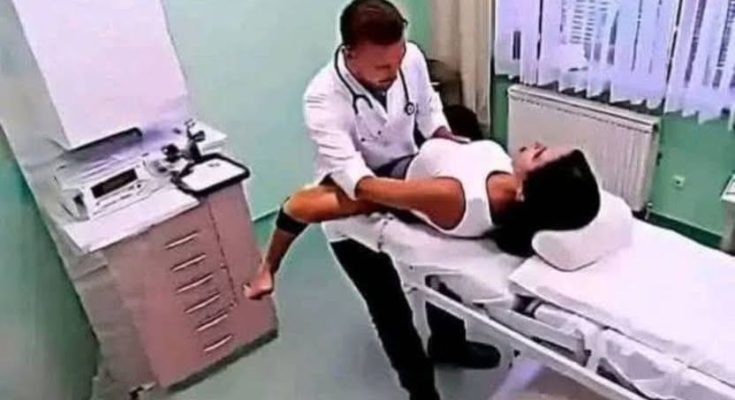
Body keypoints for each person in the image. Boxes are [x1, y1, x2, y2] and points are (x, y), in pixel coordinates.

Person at [257, 1, 501, 398]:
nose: (395, 70)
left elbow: (429, 112)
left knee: (442, 274)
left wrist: (449, 146)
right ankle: (420, 390)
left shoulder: (410, 58)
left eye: (399, 59)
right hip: (351, 204)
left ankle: (449, 344)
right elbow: (359, 183)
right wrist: (424, 195)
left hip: (408, 173)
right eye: (382, 66)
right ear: (350, 54)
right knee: (389, 307)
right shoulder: (322, 99)